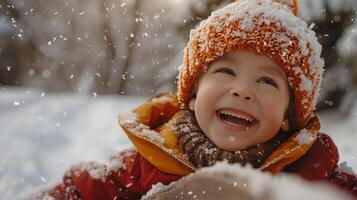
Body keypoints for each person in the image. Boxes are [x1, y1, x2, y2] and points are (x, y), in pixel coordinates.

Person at [38, 0, 357, 199]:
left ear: (289, 115)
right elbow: (75, 190)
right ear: (192, 95)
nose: (242, 90)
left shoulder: (314, 172)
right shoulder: (148, 162)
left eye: (266, 80)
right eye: (226, 72)